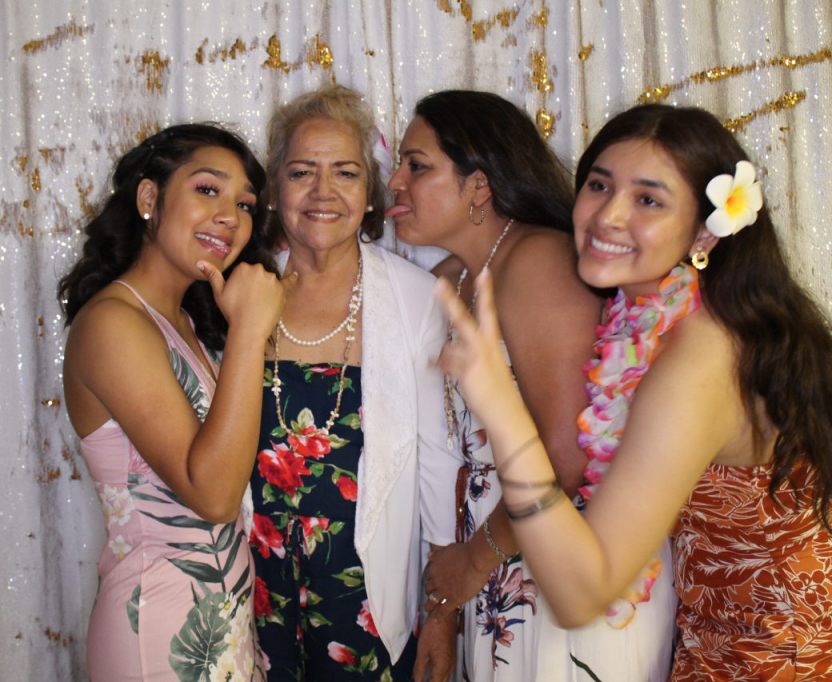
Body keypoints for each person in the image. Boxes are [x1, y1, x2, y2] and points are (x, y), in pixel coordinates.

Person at [437, 103, 832, 680]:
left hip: (770, 660)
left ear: (704, 230)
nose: (609, 216)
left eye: (648, 200)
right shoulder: (656, 311)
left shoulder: (704, 356)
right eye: (599, 185)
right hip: (708, 644)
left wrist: (500, 406)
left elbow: (581, 595)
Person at [389, 90, 675, 681]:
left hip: (569, 565)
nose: (394, 182)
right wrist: (446, 603)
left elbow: (568, 457)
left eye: (417, 166)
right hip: (499, 566)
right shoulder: (449, 278)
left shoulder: (538, 261)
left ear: (478, 186)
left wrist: (472, 563)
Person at [57, 123, 290, 681]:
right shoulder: (113, 323)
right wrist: (249, 331)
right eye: (208, 190)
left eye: (244, 204)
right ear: (148, 198)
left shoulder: (179, 321)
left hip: (216, 622)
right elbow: (212, 495)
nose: (230, 217)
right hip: (160, 631)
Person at [246, 84, 458, 681]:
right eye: (301, 172)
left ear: (369, 194)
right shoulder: (242, 290)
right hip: (254, 590)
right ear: (274, 190)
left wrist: (441, 614)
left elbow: (440, 462)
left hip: (367, 597)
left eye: (345, 172)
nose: (323, 192)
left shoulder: (416, 299)